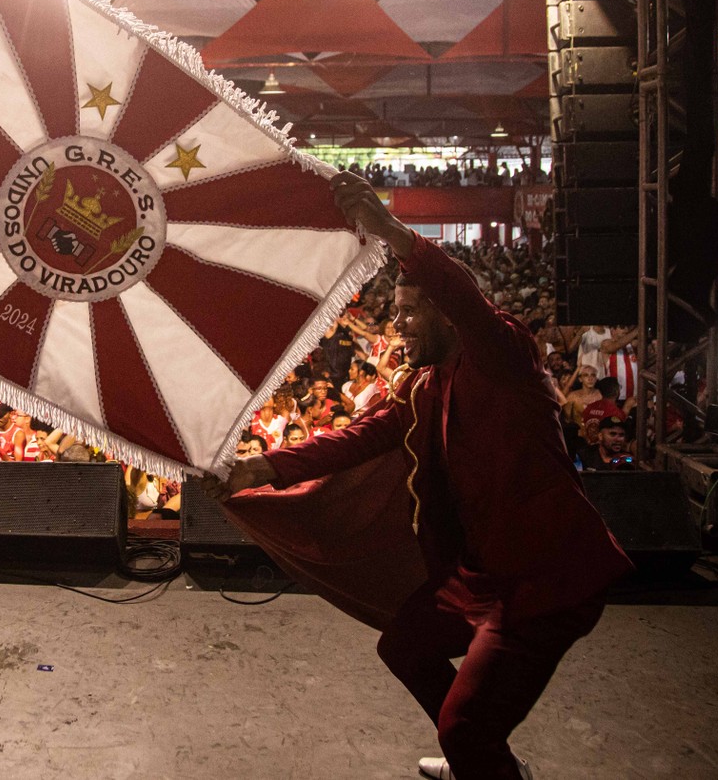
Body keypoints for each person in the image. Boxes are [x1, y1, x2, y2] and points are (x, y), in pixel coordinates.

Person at [207, 171, 631, 780]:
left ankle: (477, 758)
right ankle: (476, 759)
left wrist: (390, 231)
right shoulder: (426, 387)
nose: (395, 328)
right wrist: (261, 467)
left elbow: (466, 298)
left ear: (448, 316)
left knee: (464, 727)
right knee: (405, 647)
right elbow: (360, 438)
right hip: (484, 576)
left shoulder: (505, 354)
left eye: (409, 314)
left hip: (545, 578)